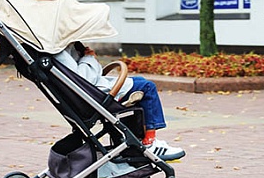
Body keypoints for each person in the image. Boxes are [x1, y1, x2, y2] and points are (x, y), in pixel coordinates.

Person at [56, 42, 186, 161]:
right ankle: (149, 142)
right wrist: (89, 57)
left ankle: (137, 141)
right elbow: (83, 79)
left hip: (91, 93)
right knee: (147, 87)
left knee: (140, 80)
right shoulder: (59, 52)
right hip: (95, 95)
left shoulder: (56, 50)